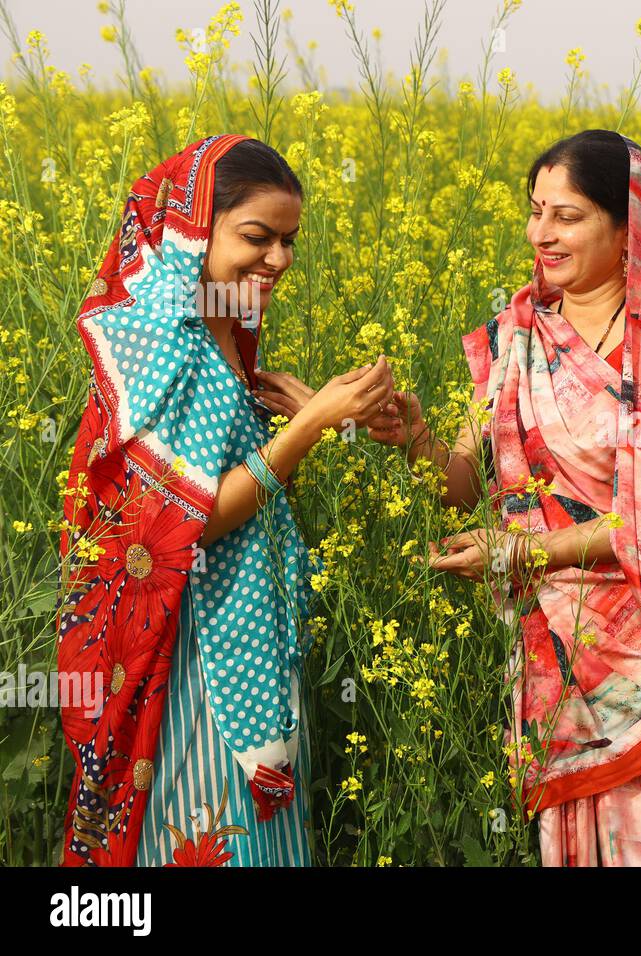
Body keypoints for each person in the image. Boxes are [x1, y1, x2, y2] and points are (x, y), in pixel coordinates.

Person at [369, 129, 641, 865]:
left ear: (626, 224)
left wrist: (527, 551)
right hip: (555, 662)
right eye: (535, 213)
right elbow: (465, 484)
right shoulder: (518, 337)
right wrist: (414, 440)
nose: (541, 235)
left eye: (566, 216)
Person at [56, 134, 394, 866]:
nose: (279, 260)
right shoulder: (160, 340)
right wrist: (305, 430)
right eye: (257, 237)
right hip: (190, 660)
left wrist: (311, 425)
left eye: (289, 241)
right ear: (191, 230)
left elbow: (241, 494)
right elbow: (184, 525)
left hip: (239, 644)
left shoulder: (223, 332)